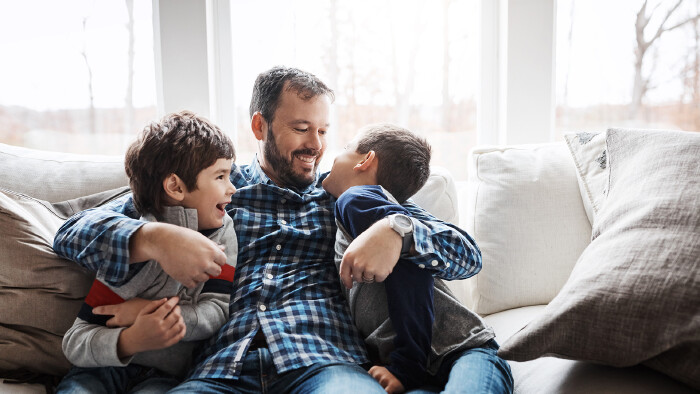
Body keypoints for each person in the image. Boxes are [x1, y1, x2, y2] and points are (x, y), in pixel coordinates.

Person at [53, 66, 507, 393]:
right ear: (260, 125)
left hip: (325, 364)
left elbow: (465, 255)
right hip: (221, 369)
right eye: (302, 128)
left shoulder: (348, 201)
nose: (317, 145)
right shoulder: (214, 191)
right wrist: (154, 238)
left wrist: (398, 230)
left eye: (325, 131)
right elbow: (70, 231)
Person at [322, 123, 513, 393]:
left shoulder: (356, 199)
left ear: (365, 160)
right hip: (425, 365)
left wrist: (405, 366)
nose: (333, 155)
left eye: (345, 148)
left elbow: (412, 273)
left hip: (460, 351)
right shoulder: (388, 206)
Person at [56, 111, 238, 393]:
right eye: (221, 176)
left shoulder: (223, 232)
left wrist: (159, 316)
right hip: (99, 370)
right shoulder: (128, 244)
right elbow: (76, 340)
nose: (232, 188)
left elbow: (216, 308)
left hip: (164, 377)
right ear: (175, 186)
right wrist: (130, 339)